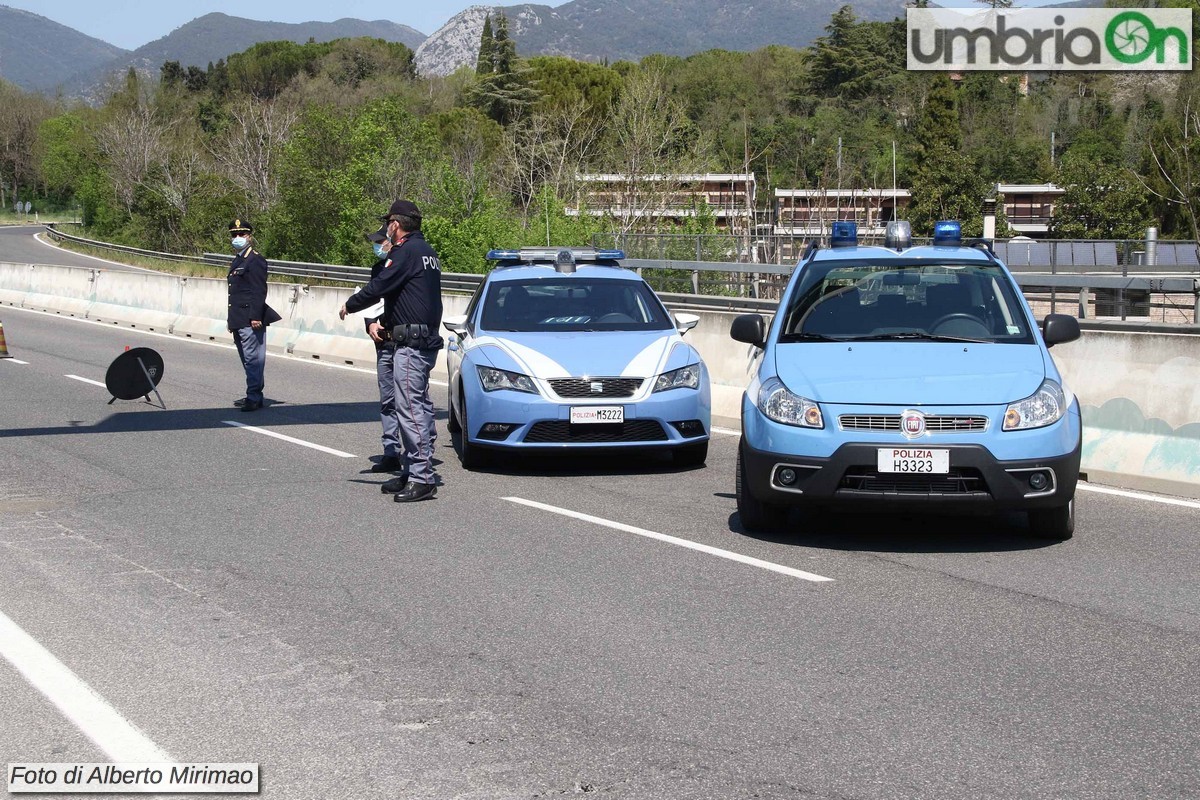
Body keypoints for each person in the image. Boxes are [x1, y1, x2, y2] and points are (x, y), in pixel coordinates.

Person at [340, 200, 443, 503]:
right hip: (417, 340)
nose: (386, 228)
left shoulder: (406, 252)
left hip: (412, 345)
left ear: (396, 225)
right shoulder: (426, 252)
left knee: (411, 411)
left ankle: (422, 478)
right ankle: (412, 471)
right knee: (413, 407)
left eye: (388, 223)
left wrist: (351, 304)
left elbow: (379, 286)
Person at [227, 218, 281, 412]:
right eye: (234, 235)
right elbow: (235, 294)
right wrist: (231, 320)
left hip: (250, 318)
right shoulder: (239, 259)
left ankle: (254, 397)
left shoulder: (255, 260)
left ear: (250, 236)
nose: (238, 238)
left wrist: (256, 316)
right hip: (238, 319)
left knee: (253, 359)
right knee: (247, 360)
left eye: (242, 234)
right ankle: (254, 393)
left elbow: (259, 290)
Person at [364, 225, 404, 474]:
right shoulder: (377, 270)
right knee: (387, 401)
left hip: (405, 342)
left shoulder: (404, 264)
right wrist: (370, 324)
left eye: (380, 241)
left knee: (410, 402)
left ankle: (418, 452)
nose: (377, 246)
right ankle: (391, 451)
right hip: (384, 343)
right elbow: (370, 301)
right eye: (374, 242)